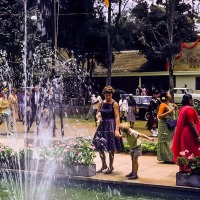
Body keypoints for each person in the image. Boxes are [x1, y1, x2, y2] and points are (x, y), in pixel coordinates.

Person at [93, 86, 124, 174]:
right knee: (99, 145)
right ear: (104, 95)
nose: (108, 97)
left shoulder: (114, 103)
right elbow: (97, 113)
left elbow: (117, 117)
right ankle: (103, 164)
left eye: (110, 95)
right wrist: (98, 117)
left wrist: (117, 129)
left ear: (112, 94)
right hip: (102, 126)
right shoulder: (101, 103)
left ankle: (111, 166)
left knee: (111, 147)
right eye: (106, 95)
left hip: (111, 125)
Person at [171, 94, 200, 162]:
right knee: (192, 150)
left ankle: (184, 166)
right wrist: (198, 137)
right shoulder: (189, 109)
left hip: (184, 132)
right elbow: (191, 124)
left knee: (185, 150)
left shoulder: (182, 109)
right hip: (190, 133)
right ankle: (191, 167)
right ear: (190, 101)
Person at [157, 91, 178, 162]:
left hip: (170, 125)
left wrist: (174, 107)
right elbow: (159, 116)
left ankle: (171, 157)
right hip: (164, 126)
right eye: (168, 94)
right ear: (165, 97)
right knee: (166, 141)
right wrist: (169, 112)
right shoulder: (162, 105)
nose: (170, 94)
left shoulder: (169, 104)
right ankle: (168, 158)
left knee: (171, 140)